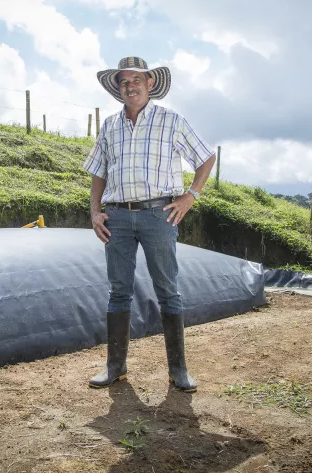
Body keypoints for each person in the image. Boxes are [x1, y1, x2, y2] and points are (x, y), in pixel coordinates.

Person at [82, 56, 216, 393]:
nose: (130, 86)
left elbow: (205, 157)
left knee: (167, 290)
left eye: (136, 79)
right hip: (118, 216)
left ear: (150, 83)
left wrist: (190, 196)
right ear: (118, 88)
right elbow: (99, 171)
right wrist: (95, 212)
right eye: (123, 81)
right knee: (119, 291)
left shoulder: (171, 121)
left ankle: (178, 370)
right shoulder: (110, 125)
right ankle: (116, 367)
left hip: (160, 214)